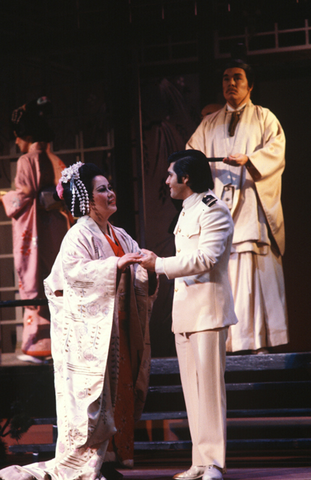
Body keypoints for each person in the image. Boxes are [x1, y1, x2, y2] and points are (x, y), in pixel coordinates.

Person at [0, 161, 157, 480]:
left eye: (110, 187)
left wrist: (148, 270)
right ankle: (87, 464)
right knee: (95, 401)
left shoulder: (120, 234)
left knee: (121, 395)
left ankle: (109, 459)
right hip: (92, 337)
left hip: (120, 330)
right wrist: (114, 266)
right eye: (102, 189)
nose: (111, 193)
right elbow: (71, 278)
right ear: (86, 200)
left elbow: (139, 279)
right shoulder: (77, 235)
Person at [140, 150, 237, 480]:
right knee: (193, 393)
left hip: (207, 312)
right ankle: (200, 460)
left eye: (171, 175)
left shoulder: (214, 209)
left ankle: (214, 464)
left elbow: (207, 258)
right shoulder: (188, 210)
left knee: (209, 391)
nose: (166, 180)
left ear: (187, 178)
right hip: (187, 312)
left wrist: (160, 265)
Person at [186, 59, 288, 354]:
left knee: (254, 273)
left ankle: (259, 341)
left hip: (250, 206)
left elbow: (277, 151)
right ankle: (232, 342)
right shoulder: (209, 123)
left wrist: (250, 160)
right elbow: (190, 154)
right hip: (221, 205)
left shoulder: (264, 117)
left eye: (238, 78)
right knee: (226, 272)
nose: (230, 83)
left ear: (250, 85)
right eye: (226, 78)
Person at [0, 97, 70, 360]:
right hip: (57, 227)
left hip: (36, 228)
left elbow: (26, 195)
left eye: (18, 137)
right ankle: (61, 342)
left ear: (26, 135)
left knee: (35, 278)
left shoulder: (26, 161)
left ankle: (39, 343)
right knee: (55, 279)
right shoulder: (58, 160)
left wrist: (7, 196)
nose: (16, 142)